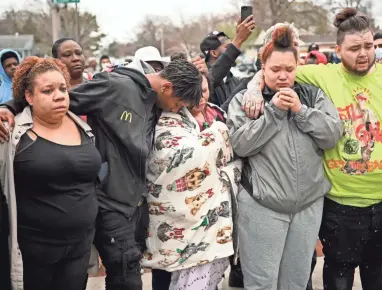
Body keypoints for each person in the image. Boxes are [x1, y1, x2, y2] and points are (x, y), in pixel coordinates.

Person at [241, 8, 382, 290]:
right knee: (339, 271)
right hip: (341, 206)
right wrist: (254, 89)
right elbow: (276, 69)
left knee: (379, 268)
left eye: (369, 46)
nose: (364, 53)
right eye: (354, 48)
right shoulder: (321, 75)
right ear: (338, 50)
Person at [0, 56, 203, 290]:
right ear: (167, 87)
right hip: (106, 202)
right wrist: (9, 106)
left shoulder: (153, 101)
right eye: (178, 104)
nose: (176, 110)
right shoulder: (115, 87)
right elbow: (59, 99)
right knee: (126, 274)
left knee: (122, 271)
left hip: (130, 205)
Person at [227, 25, 343, 290]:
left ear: (298, 65)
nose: (282, 76)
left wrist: (301, 111)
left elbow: (332, 135)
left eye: (289, 70)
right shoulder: (246, 101)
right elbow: (241, 145)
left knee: (296, 283)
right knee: (261, 283)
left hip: (308, 206)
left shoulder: (311, 95)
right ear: (262, 68)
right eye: (275, 70)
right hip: (262, 206)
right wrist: (274, 112)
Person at [0, 56, 101, 290]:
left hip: (80, 247)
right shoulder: (11, 134)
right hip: (34, 252)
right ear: (28, 97)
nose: (59, 95)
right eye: (47, 90)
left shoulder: (82, 126)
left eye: (63, 89)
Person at [146, 70, 242, 290]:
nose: (200, 98)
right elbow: (186, 157)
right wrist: (218, 133)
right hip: (171, 224)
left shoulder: (217, 113)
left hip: (207, 228)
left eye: (205, 91)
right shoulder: (163, 119)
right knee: (165, 278)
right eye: (194, 94)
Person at [200, 15, 255, 108]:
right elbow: (214, 76)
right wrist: (239, 39)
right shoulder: (203, 83)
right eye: (227, 47)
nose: (231, 50)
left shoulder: (235, 81)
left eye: (231, 46)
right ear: (213, 53)